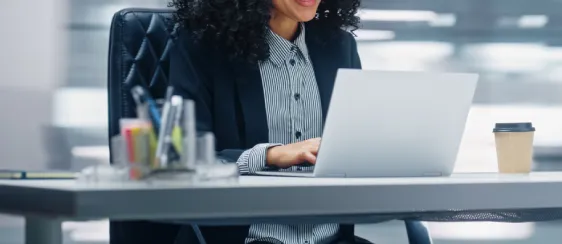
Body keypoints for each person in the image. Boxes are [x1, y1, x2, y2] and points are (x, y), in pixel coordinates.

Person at [114, 0, 366, 243]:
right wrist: (269, 155)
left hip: (331, 238)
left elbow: (357, 147)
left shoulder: (339, 46)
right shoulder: (202, 47)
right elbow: (183, 158)